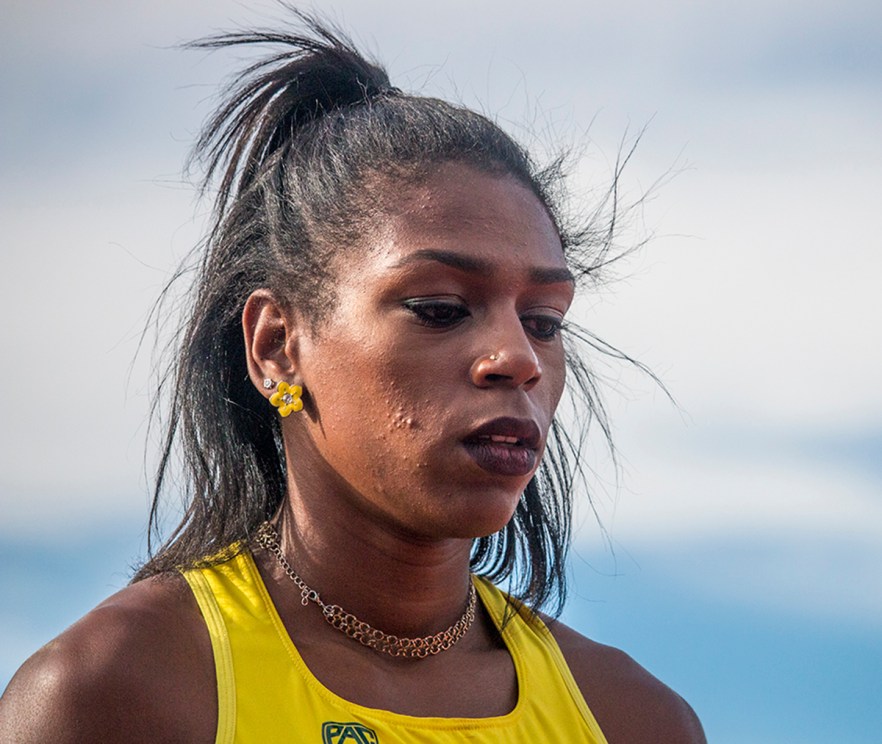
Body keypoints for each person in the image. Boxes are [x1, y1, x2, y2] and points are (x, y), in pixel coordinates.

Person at [0, 11, 705, 743]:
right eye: (439, 309)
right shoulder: (123, 691)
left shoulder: (630, 719)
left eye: (545, 321)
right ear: (277, 345)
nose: (519, 360)